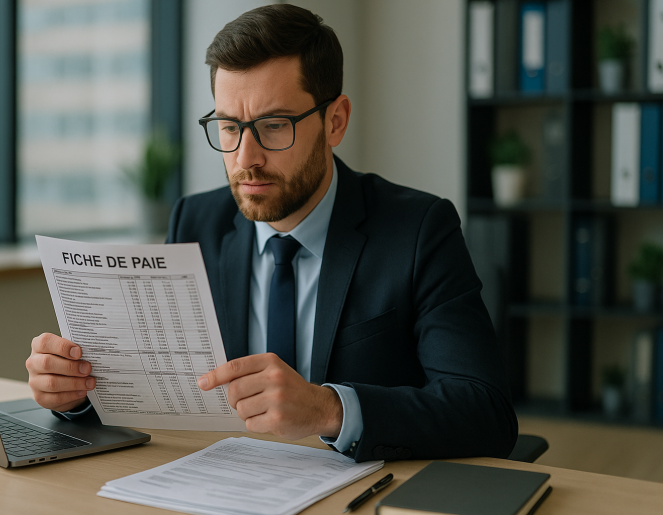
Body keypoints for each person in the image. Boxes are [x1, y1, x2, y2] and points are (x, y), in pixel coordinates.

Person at [26, 4, 518, 463]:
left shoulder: (418, 229)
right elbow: (164, 388)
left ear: (335, 121)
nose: (245, 159)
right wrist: (77, 395)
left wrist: (330, 409)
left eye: (274, 125)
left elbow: (486, 411)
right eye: (228, 126)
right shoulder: (196, 222)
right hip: (233, 485)